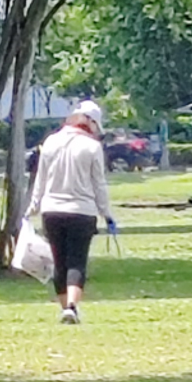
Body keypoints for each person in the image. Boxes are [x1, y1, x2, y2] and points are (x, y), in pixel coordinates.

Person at [26, 99, 115, 325]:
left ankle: (65, 308)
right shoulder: (92, 147)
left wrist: (34, 206)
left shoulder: (50, 142)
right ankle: (73, 307)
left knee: (59, 262)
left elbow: (41, 179)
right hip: (82, 212)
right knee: (77, 262)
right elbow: (99, 185)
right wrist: (107, 213)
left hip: (51, 211)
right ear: (90, 122)